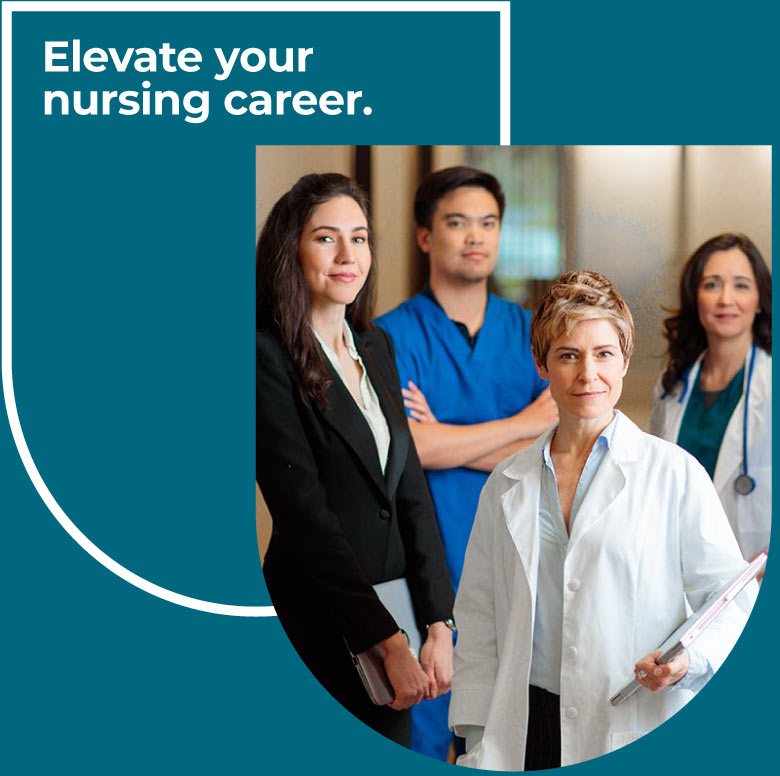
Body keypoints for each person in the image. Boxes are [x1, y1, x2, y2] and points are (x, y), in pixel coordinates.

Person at [450, 270, 756, 770]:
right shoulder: (506, 481)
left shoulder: (674, 474)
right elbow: (479, 622)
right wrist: (477, 741)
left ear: (625, 360)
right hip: (524, 730)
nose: (588, 374)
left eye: (604, 354)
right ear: (542, 364)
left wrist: (687, 660)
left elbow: (730, 599)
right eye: (568, 355)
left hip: (629, 722)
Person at [256, 173, 455, 747]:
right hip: (318, 618)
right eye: (326, 238)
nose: (348, 255)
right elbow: (305, 519)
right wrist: (387, 642)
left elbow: (411, 491)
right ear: (291, 249)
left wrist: (438, 621)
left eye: (360, 238)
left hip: (397, 610)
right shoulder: (263, 356)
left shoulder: (375, 345)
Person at [376, 166, 557, 760]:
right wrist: (524, 423)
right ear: (426, 236)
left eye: (489, 222)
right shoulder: (388, 337)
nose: (476, 236)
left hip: (521, 556)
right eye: (457, 222)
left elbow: (557, 448)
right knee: (425, 729)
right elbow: (408, 450)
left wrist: (444, 438)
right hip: (426, 564)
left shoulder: (533, 333)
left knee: (515, 737)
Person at [648, 233, 771, 566]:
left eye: (741, 286)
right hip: (677, 568)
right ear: (695, 298)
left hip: (754, 578)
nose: (725, 299)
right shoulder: (672, 386)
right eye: (712, 285)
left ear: (760, 301)